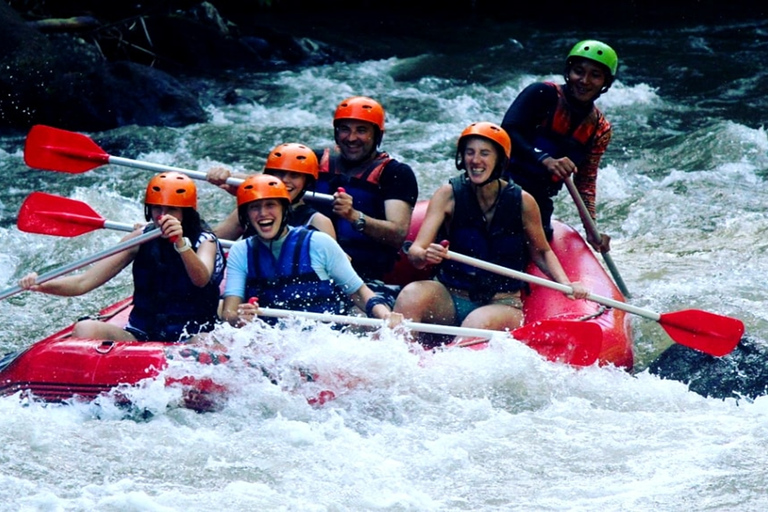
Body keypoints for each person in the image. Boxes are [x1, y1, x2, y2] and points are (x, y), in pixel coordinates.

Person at [393, 122, 588, 348]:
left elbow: (542, 252)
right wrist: (426, 254)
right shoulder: (448, 195)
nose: (476, 160)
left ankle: (448, 365)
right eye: (470, 153)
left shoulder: (523, 202)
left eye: (485, 153)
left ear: (500, 160)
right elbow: (416, 251)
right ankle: (397, 363)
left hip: (502, 302)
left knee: (476, 322)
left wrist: (566, 284)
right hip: (450, 295)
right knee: (410, 295)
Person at [18, 172, 226, 342]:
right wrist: (42, 284)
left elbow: (201, 279)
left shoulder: (205, 241)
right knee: (85, 329)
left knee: (204, 343)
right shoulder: (140, 238)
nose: (162, 215)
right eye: (157, 208)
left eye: (171, 209)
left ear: (186, 212)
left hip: (189, 336)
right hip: (142, 335)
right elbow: (83, 282)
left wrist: (180, 243)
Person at [220, 174, 401, 327]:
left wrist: (385, 315)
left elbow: (359, 292)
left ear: (284, 210)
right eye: (254, 207)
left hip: (321, 337)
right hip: (271, 341)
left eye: (270, 205)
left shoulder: (319, 242)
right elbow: (229, 312)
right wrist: (240, 318)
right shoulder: (241, 251)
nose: (263, 213)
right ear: (246, 215)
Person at [500, 39, 617, 252]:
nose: (584, 81)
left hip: (539, 200)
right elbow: (508, 131)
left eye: (595, 75)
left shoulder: (599, 129)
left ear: (605, 84)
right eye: (578, 71)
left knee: (534, 242)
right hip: (503, 185)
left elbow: (586, 180)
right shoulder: (542, 94)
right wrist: (544, 159)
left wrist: (591, 227)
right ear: (568, 72)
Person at [312, 96, 419, 306]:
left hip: (365, 277)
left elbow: (397, 234)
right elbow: (272, 183)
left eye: (361, 130)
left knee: (356, 321)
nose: (351, 138)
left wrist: (354, 217)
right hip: (312, 272)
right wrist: (231, 179)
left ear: (377, 135)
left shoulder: (395, 174)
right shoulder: (313, 160)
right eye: (345, 129)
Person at [207, 143, 336, 241]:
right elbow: (213, 241)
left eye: (294, 175)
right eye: (280, 173)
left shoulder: (318, 221)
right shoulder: (251, 209)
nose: (285, 181)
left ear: (306, 182)